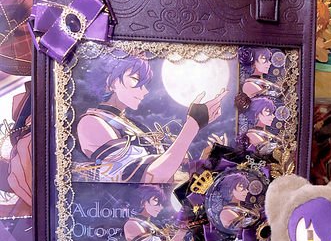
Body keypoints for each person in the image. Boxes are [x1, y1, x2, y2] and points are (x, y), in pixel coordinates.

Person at [75, 56, 227, 184]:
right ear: (112, 81)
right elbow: (146, 179)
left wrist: (209, 161)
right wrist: (192, 126)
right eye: (135, 79)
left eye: (145, 84)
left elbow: (177, 180)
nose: (145, 90)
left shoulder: (134, 125)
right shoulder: (91, 123)